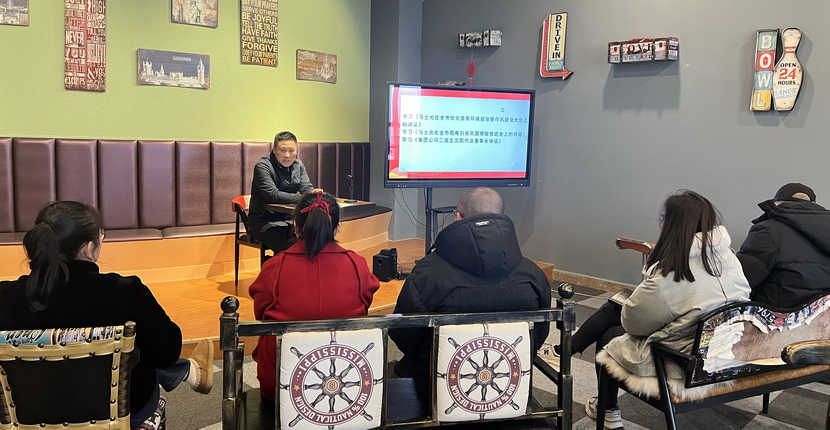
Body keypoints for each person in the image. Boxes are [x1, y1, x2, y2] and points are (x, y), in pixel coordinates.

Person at [0, 201, 213, 427]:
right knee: (142, 349)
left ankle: (188, 372)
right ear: (88, 248)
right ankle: (187, 374)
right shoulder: (125, 292)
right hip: (122, 412)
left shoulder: (5, 297)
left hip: (26, 415)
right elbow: (167, 354)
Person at [584, 191, 750, 429]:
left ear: (668, 223)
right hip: (725, 355)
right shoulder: (730, 259)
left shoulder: (671, 272)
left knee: (611, 335)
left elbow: (633, 324)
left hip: (682, 366)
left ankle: (608, 409)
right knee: (618, 310)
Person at [389, 187, 552, 400]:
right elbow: (538, 335)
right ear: (502, 217)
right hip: (508, 390)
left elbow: (402, 333)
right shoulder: (534, 275)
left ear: (457, 217)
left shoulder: (427, 273)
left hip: (436, 393)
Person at [249, 192, 379, 402]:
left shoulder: (274, 268)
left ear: (296, 227)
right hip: (348, 382)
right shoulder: (358, 265)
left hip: (281, 387)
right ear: (335, 228)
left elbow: (261, 314)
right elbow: (364, 306)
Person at [736, 183, 830, 308]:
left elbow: (742, 280)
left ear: (777, 203)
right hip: (823, 317)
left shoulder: (767, 230)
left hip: (778, 314)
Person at [248, 131, 322, 254]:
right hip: (264, 222)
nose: (287, 155)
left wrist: (313, 193)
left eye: (291, 151)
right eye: (282, 150)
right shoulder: (263, 166)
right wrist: (305, 198)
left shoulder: (298, 165)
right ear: (274, 150)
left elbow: (306, 187)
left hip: (290, 220)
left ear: (296, 150)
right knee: (291, 248)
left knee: (314, 241)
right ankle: (277, 264)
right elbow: (272, 195)